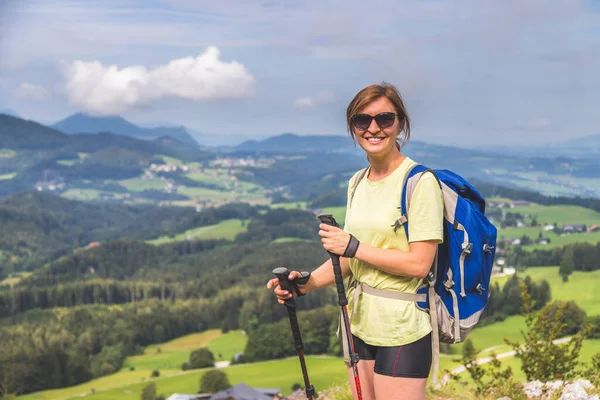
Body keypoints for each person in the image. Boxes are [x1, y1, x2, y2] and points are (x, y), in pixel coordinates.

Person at [266, 82, 444, 400]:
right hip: (357, 323)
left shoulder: (420, 183)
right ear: (353, 127)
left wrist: (354, 246)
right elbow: (349, 258)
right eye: (363, 120)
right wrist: (304, 284)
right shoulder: (357, 182)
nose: (373, 128)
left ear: (400, 123)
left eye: (385, 119)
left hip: (402, 326)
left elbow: (419, 264)